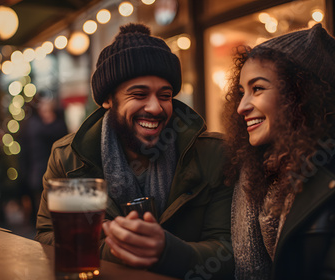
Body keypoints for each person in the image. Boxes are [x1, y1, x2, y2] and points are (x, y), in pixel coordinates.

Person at [35, 23, 234, 279]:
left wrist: (167, 250)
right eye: (139, 94)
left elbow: (229, 252)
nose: (155, 107)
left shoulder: (214, 154)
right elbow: (46, 238)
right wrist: (116, 249)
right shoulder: (67, 157)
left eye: (165, 95)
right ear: (108, 99)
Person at [224, 23, 335, 279]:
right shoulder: (263, 168)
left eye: (258, 89)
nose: (241, 106)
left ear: (302, 93)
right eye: (242, 92)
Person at [18, 96, 68, 224]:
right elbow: (26, 148)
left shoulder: (58, 124)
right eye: (43, 109)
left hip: (53, 166)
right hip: (37, 166)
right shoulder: (34, 125)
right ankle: (40, 223)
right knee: (39, 198)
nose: (45, 112)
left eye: (47, 109)